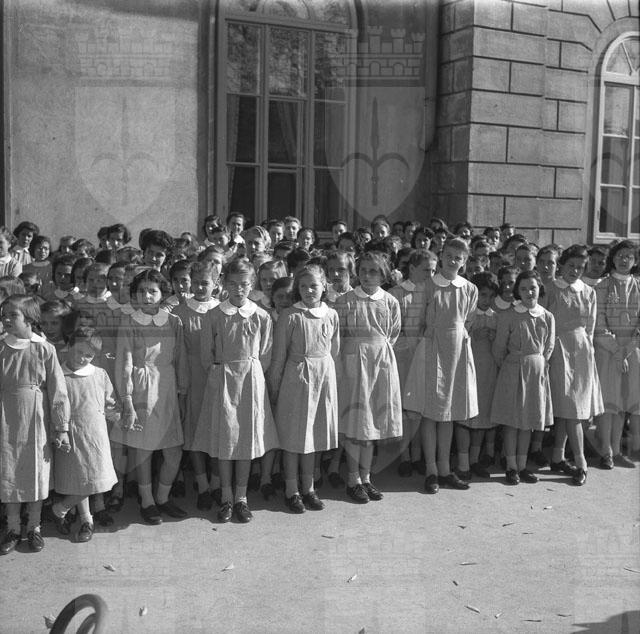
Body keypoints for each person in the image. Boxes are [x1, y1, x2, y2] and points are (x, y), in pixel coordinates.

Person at [194, 259, 278, 523]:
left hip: (251, 383)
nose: (239, 289)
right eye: (232, 283)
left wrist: (251, 374)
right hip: (223, 382)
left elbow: (265, 354)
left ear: (252, 284)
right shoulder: (214, 316)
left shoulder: (261, 316)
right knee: (225, 440)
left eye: (244, 284)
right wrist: (221, 373)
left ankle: (241, 497)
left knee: (245, 441)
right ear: (223, 284)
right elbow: (206, 355)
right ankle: (226, 497)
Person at [110, 269, 188, 525]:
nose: (147, 296)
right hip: (141, 387)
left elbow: (181, 359)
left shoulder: (173, 321)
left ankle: (163, 497)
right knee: (143, 449)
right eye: (141, 291)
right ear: (134, 295)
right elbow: (124, 362)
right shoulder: (130, 322)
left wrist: (183, 392)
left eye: (152, 291)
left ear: (162, 293)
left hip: (167, 388)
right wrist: (127, 399)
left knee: (173, 450)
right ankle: (147, 500)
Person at [404, 237, 478, 494]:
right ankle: (431, 470)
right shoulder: (427, 286)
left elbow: (468, 320)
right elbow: (416, 322)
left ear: (464, 262)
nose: (453, 261)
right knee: (430, 413)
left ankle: (445, 469)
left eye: (458, 258)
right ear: (441, 255)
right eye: (449, 256)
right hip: (431, 350)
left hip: (456, 353)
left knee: (449, 413)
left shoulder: (469, 288)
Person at [0, 295, 70, 555]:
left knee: (36, 473)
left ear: (29, 318)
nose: (6, 319)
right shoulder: (1, 347)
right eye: (3, 315)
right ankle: (12, 528)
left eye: (13, 315)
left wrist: (61, 427)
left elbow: (58, 391)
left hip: (36, 420)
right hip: (6, 418)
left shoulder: (44, 349)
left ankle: (34, 527)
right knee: (9, 471)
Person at [268, 265, 339, 513]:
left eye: (314, 286)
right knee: (292, 437)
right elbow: (278, 357)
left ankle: (308, 487)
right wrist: (275, 387)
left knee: (312, 436)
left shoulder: (331, 314)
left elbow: (334, 351)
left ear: (324, 287)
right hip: (296, 379)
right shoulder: (290, 316)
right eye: (303, 286)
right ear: (297, 289)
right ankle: (292, 489)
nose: (309, 291)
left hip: (322, 379)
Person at [335, 251, 402, 503]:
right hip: (354, 364)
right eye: (363, 270)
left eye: (373, 271)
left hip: (380, 364)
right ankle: (352, 479)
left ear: (383, 275)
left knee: (371, 422)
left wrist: (378, 353)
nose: (367, 275)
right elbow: (339, 334)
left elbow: (393, 333)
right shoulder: (346, 301)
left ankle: (366, 477)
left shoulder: (390, 301)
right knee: (356, 423)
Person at [52, 328, 119, 543]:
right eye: (79, 351)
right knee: (81, 479)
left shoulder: (99, 374)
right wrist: (60, 430)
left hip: (96, 435)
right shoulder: (59, 375)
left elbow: (109, 403)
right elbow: (55, 405)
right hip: (71, 434)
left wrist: (118, 416)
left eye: (88, 355)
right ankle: (86, 520)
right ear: (69, 346)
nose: (82, 358)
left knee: (96, 478)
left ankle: (60, 509)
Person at [490, 271, 555, 485]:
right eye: (524, 288)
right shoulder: (509, 315)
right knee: (512, 422)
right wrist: (510, 366)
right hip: (513, 370)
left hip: (536, 373)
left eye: (533, 288)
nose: (529, 292)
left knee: (528, 422)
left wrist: (539, 363)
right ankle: (511, 466)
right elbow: (499, 348)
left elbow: (549, 346)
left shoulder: (547, 316)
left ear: (539, 289)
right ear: (517, 291)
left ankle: (522, 464)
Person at [545, 245, 603, 486]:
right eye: (571, 266)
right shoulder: (551, 289)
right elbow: (544, 321)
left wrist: (588, 350)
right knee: (567, 408)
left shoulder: (588, 292)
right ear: (562, 265)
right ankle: (577, 462)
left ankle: (563, 458)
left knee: (573, 409)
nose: (575, 271)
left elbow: (590, 326)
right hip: (558, 350)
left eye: (580, 267)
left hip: (581, 353)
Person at [173, 262, 221, 510]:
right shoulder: (180, 312)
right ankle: (202, 484)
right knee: (193, 432)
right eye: (197, 282)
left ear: (216, 284)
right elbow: (179, 353)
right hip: (192, 378)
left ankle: (217, 483)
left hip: (218, 378)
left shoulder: (222, 310)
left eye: (206, 283)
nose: (200, 287)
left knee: (217, 431)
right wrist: (182, 387)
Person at [594, 240, 640, 467]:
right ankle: (605, 451)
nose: (624, 260)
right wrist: (616, 351)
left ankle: (617, 450)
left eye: (629, 256)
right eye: (620, 255)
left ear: (635, 261)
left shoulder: (638, 286)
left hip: (633, 351)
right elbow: (598, 324)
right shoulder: (602, 286)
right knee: (608, 402)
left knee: (624, 401)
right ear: (612, 258)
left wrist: (629, 349)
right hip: (607, 351)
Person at [389, 250, 435, 477]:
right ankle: (405, 455)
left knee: (421, 407)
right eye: (427, 270)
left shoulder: (433, 292)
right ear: (413, 268)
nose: (431, 274)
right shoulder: (397, 293)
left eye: (434, 270)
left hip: (426, 354)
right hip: (403, 355)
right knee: (405, 407)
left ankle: (417, 455)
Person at [466, 272, 499, 479]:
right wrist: (472, 336)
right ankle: (464, 459)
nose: (486, 300)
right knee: (467, 418)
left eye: (491, 296)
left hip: (488, 372)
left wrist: (495, 337)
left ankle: (474, 459)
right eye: (483, 295)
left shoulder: (496, 317)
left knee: (483, 415)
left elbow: (502, 345)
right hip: (470, 370)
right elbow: (459, 338)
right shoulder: (468, 315)